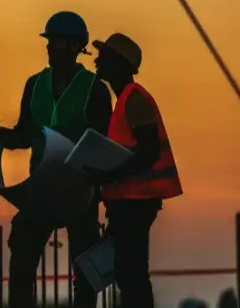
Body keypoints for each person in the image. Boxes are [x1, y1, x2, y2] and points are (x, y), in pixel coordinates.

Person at [0, 11, 112, 308]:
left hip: (80, 192)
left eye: (54, 41)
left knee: (85, 273)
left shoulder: (93, 88)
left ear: (72, 46)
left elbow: (103, 145)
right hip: (42, 191)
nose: (47, 47)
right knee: (21, 265)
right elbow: (25, 134)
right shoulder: (35, 85)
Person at [82, 32, 184, 308]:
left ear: (120, 63)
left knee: (131, 273)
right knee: (128, 273)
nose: (97, 62)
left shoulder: (134, 99)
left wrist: (107, 176)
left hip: (137, 201)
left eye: (104, 57)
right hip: (128, 201)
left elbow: (148, 152)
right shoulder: (124, 100)